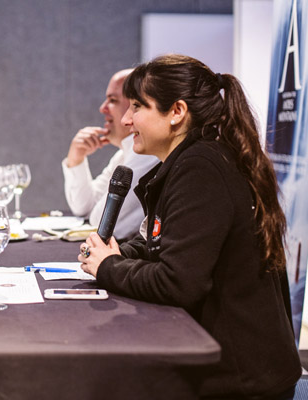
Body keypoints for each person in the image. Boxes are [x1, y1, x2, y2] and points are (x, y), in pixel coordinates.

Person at [79, 55, 301, 399]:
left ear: (177, 112)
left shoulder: (201, 167)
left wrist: (109, 266)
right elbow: (167, 242)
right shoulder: (197, 159)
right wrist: (124, 253)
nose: (125, 119)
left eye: (137, 106)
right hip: (242, 372)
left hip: (242, 384)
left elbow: (177, 282)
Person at [62, 69, 158, 240]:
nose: (102, 108)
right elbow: (84, 208)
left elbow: (101, 222)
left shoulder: (147, 153)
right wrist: (76, 159)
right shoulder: (124, 153)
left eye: (113, 100)